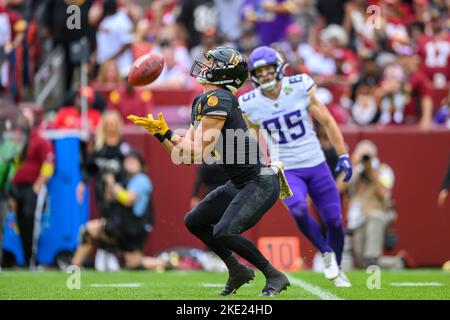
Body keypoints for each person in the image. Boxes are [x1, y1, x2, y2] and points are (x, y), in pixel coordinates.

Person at [128, 47, 291, 297]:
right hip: (240, 182)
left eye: (212, 63)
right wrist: (161, 133)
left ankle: (273, 274)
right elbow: (183, 156)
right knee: (195, 221)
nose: (205, 66)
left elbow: (198, 152)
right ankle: (237, 270)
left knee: (224, 231)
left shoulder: (220, 99)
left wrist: (169, 133)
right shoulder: (202, 100)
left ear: (223, 74)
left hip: (259, 181)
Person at [239, 46, 352, 287]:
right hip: (286, 168)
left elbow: (328, 121)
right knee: (299, 210)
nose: (266, 75)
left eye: (269, 70)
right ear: (254, 76)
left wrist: (343, 154)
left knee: (334, 221)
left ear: (278, 68)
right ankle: (325, 252)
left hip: (316, 163)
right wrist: (259, 165)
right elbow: (251, 138)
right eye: (260, 72)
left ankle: (338, 267)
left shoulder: (299, 86)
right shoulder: (250, 103)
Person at [72, 149, 166, 270]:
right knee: (88, 231)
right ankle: (74, 266)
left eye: (133, 162)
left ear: (141, 165)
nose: (130, 164)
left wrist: (112, 184)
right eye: (128, 161)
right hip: (122, 226)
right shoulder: (125, 180)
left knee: (132, 263)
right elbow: (109, 199)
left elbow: (127, 199)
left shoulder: (141, 179)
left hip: (132, 228)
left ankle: (166, 262)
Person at [9, 107, 54, 267]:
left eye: (27, 117)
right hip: (16, 188)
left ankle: (32, 259)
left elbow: (48, 164)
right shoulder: (15, 140)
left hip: (32, 187)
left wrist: (38, 185)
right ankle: (24, 258)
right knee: (19, 222)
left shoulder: (40, 140)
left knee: (31, 221)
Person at [345, 140, 397, 268]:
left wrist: (372, 173)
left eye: (367, 156)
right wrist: (352, 166)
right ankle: (397, 262)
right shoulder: (355, 170)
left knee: (375, 217)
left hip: (377, 212)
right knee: (363, 262)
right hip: (358, 217)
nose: (365, 159)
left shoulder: (383, 170)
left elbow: (385, 193)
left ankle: (373, 257)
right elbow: (338, 187)